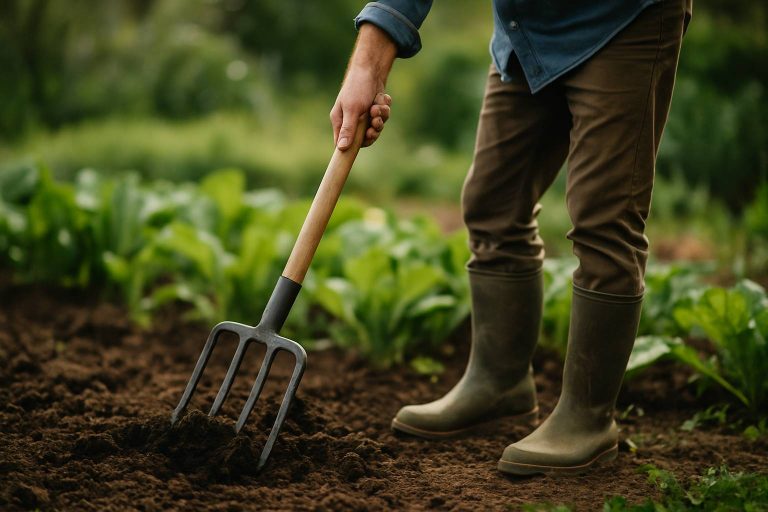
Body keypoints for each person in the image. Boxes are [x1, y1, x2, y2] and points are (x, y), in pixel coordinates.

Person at [331, 0, 691, 475]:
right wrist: (367, 65)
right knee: (492, 203)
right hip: (527, 29)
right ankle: (499, 383)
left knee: (605, 218)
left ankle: (588, 418)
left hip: (620, 20)